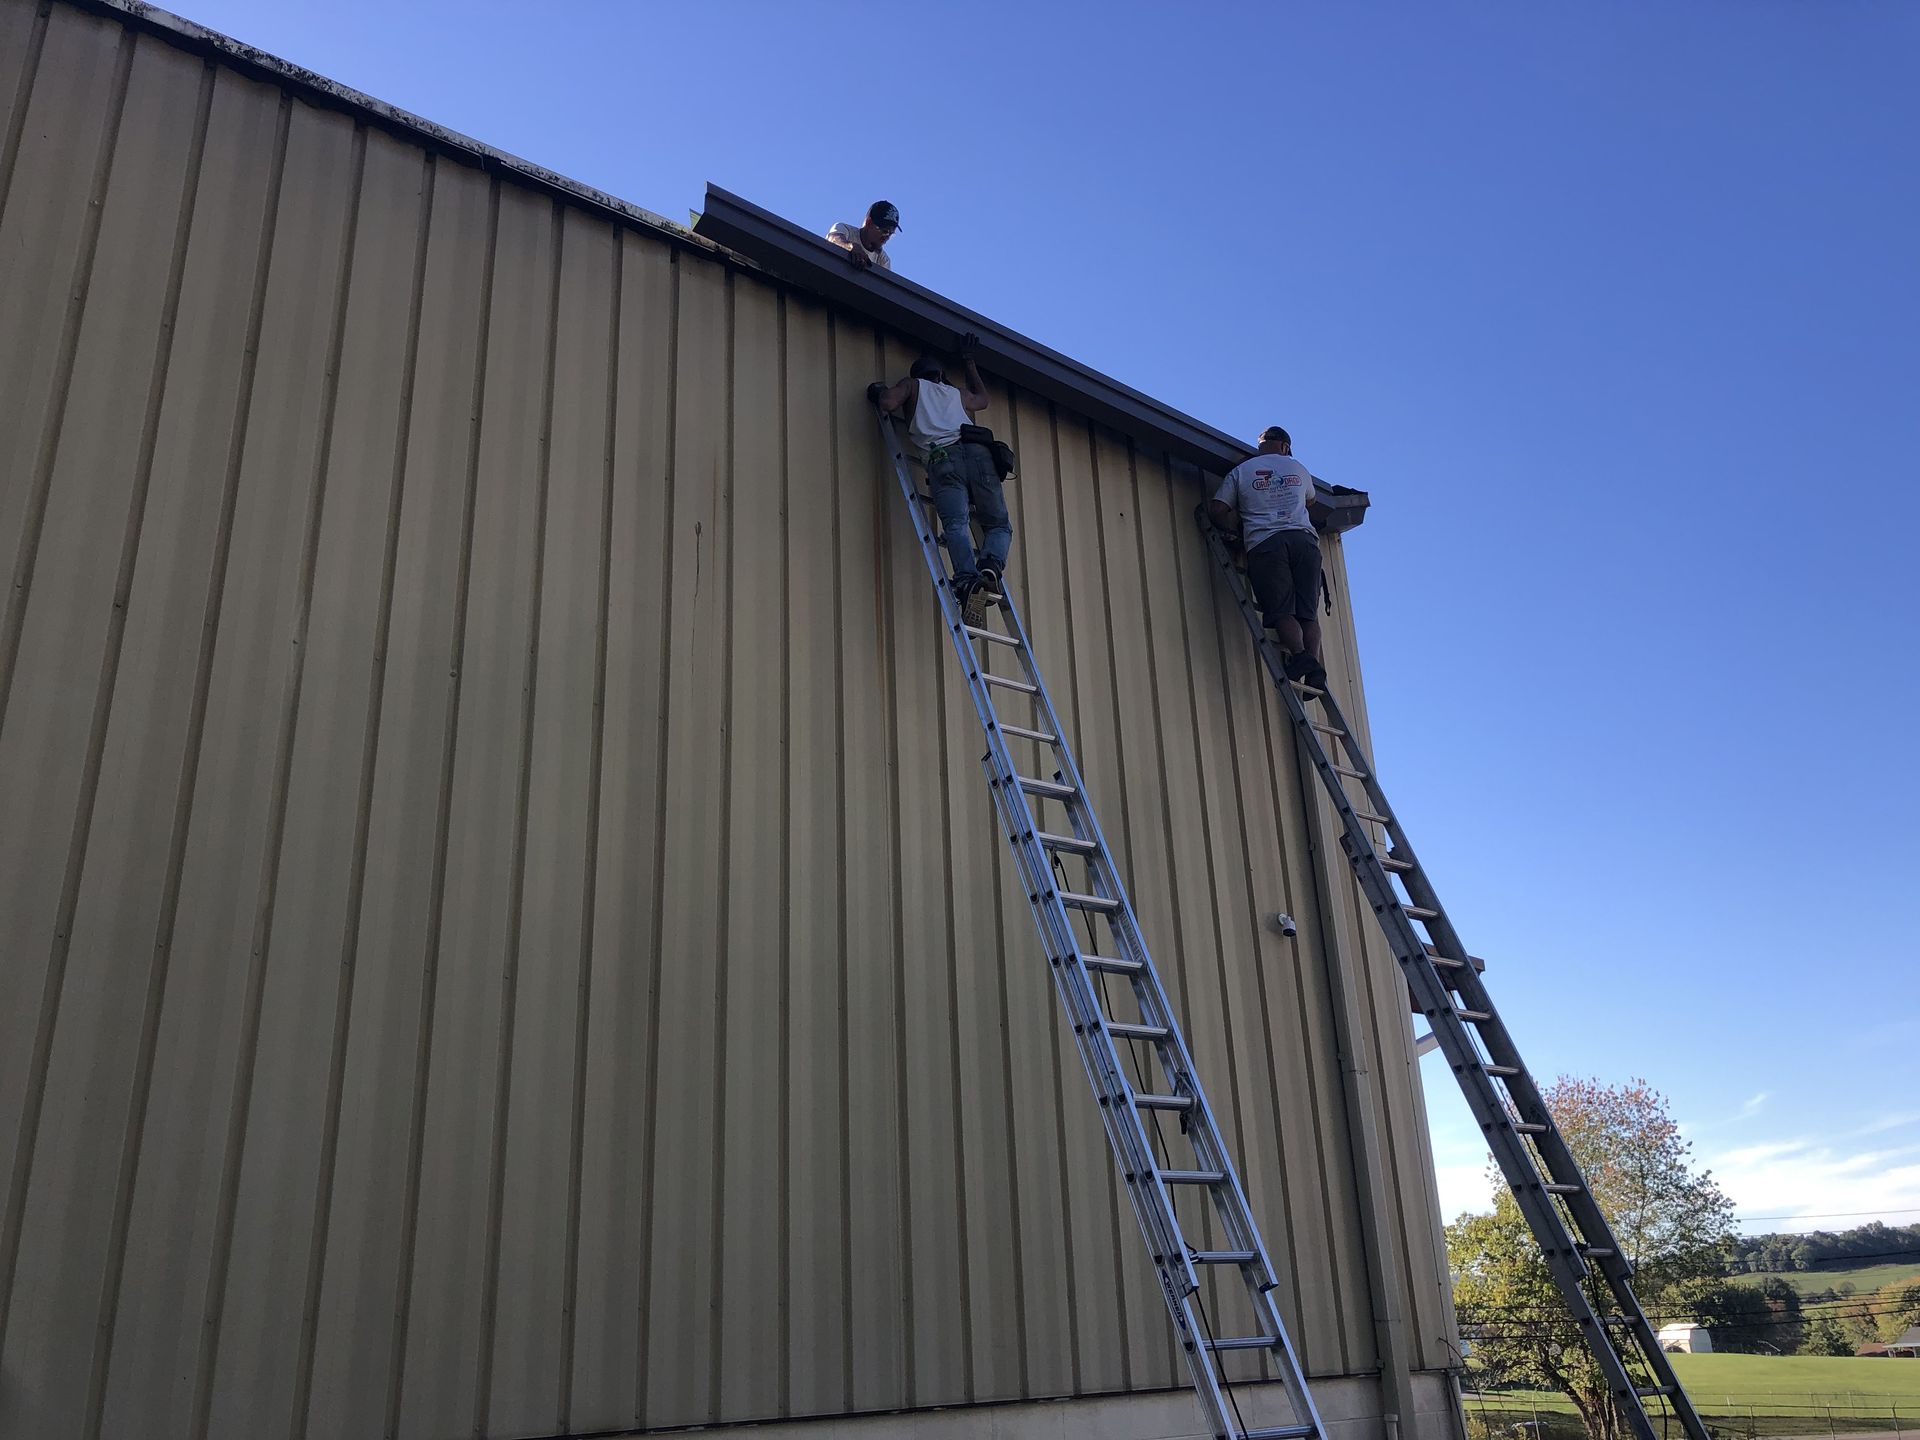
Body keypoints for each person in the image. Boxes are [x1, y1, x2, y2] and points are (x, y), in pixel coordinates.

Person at [868, 334, 1010, 626]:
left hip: (943, 459)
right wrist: (970, 362)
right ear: (941, 375)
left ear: (917, 375)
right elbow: (982, 400)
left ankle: (969, 581)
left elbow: (888, 403)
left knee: (956, 524)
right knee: (997, 524)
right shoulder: (956, 393)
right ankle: (991, 566)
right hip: (979, 454)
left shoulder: (912, 385)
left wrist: (879, 392)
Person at [1207, 425, 1326, 688]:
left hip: (1266, 542)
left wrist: (1230, 531)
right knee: (1308, 614)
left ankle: (1300, 656)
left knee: (1282, 609)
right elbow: (1311, 501)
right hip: (1305, 542)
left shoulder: (1242, 471)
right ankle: (1314, 666)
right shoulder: (1298, 469)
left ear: (1261, 445)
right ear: (1285, 447)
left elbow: (1216, 509)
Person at [826, 200, 901, 271]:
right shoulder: (845, 230)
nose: (887, 236)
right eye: (884, 231)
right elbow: (833, 238)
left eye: (891, 233)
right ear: (869, 223)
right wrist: (850, 246)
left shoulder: (883, 260)